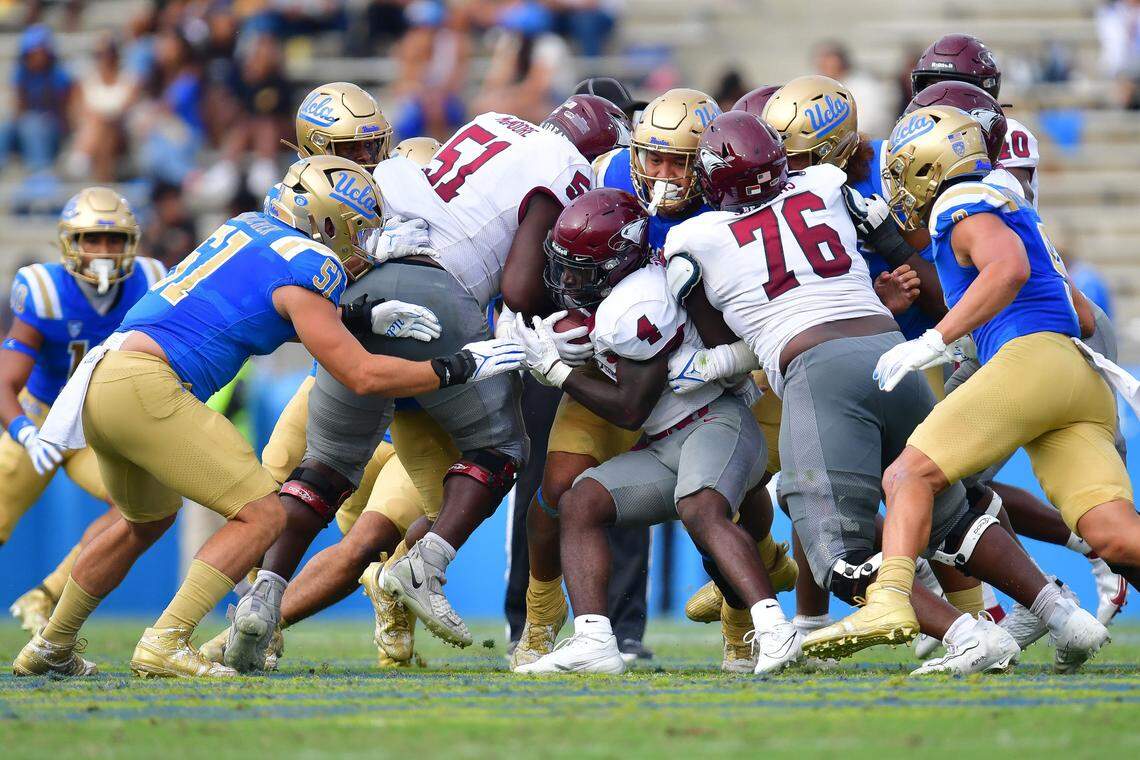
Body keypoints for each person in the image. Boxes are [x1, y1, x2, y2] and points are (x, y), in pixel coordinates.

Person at [12, 155, 522, 679]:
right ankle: (166, 639)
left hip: (104, 378)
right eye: (353, 227)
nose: (357, 240)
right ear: (327, 222)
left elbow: (252, 300)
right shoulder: (311, 264)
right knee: (264, 514)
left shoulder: (245, 227)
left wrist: (356, 314)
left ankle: (51, 644)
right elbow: (363, 375)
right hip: (150, 386)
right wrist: (455, 366)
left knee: (143, 523)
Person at [668, 111, 1105, 675]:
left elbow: (723, 335)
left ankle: (967, 634)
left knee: (833, 551)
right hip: (885, 348)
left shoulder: (691, 238)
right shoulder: (824, 185)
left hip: (815, 367)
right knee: (951, 511)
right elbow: (893, 243)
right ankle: (1062, 614)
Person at [225, 95, 622, 672]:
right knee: (501, 449)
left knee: (326, 469)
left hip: (361, 288)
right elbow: (516, 286)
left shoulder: (492, 124)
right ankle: (426, 563)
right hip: (439, 289)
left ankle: (262, 597)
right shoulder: (566, 165)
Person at [806, 106, 1114, 672]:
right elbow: (1085, 318)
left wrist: (936, 339)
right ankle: (1060, 611)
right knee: (1114, 535)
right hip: (1072, 370)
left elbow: (1008, 270)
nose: (894, 181)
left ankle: (896, 599)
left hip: (1029, 361)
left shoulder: (958, 199)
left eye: (902, 168)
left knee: (909, 477)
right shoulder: (1007, 199)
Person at [514, 188, 789, 675]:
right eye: (565, 265)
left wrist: (559, 372)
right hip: (667, 445)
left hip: (714, 423)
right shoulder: (623, 297)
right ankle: (595, 639)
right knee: (579, 501)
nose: (569, 278)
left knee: (702, 509)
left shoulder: (636, 307)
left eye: (581, 268)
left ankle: (774, 630)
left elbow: (629, 410)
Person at [4, 189, 164, 633]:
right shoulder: (44, 289)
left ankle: (46, 595)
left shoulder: (150, 281)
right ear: (70, 242)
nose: (105, 251)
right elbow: (6, 380)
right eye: (93, 239)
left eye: (115, 240)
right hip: (39, 418)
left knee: (137, 508)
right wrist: (22, 431)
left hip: (96, 426)